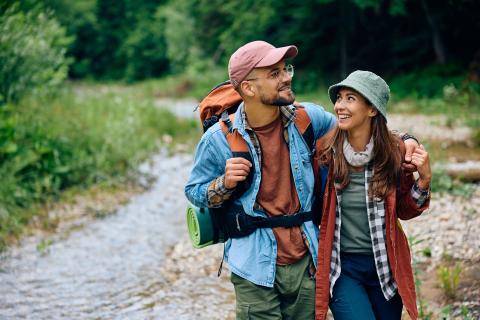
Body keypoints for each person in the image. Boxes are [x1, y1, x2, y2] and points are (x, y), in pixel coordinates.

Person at [185, 41, 420, 319]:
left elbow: (360, 130)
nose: (286, 77)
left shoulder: (308, 119)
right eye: (274, 73)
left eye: (286, 69)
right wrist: (224, 182)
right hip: (253, 266)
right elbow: (195, 191)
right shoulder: (218, 139)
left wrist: (405, 139)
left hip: (306, 260)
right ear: (248, 88)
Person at [314, 71, 431, 320]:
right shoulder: (326, 151)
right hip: (343, 268)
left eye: (350, 98)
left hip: (385, 267)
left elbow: (405, 209)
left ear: (372, 110)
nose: (339, 106)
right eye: (339, 98)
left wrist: (424, 181)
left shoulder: (394, 152)